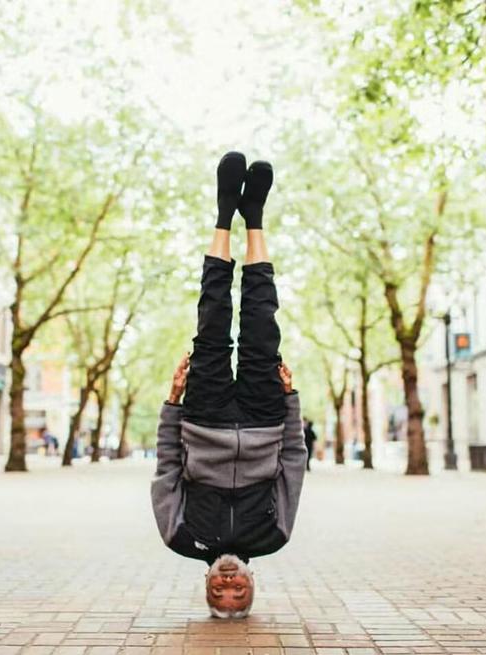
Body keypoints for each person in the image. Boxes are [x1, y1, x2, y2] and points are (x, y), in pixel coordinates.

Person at [151, 152, 307, 619]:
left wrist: (173, 401)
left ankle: (225, 213)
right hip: (264, 419)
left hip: (203, 417)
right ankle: (254, 217)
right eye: (239, 594)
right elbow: (293, 464)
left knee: (212, 320)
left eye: (219, 595)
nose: (228, 586)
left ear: (206, 585)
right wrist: (291, 401)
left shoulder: (179, 536)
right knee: (262, 318)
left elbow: (166, 466)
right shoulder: (274, 536)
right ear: (251, 582)